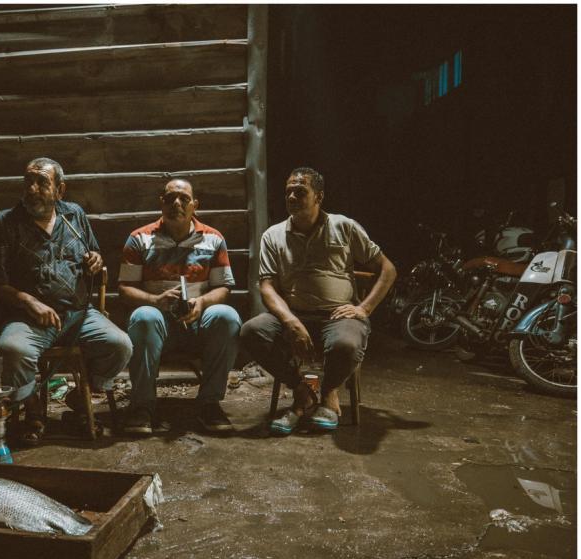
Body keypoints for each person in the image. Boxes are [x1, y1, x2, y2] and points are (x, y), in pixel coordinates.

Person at [0, 157, 133, 444]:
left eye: (42, 183)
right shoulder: (4, 223)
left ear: (60, 190)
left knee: (120, 345)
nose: (33, 188)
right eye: (29, 182)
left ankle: (79, 397)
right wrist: (28, 301)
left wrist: (95, 260)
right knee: (12, 350)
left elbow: (94, 254)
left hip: (78, 314)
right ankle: (32, 407)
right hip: (28, 318)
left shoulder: (73, 215)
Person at [240, 167, 396, 433]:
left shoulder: (343, 227)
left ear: (319, 197)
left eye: (300, 192)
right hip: (295, 313)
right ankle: (302, 389)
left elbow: (387, 269)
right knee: (251, 331)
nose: (291, 197)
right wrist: (289, 320)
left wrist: (364, 308)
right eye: (288, 191)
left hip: (337, 315)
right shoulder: (273, 235)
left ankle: (327, 393)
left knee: (345, 344)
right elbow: (267, 287)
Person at [118, 178, 242, 434]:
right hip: (158, 326)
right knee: (144, 316)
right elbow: (124, 288)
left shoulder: (214, 239)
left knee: (227, 316)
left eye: (184, 198)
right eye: (170, 198)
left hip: (197, 324)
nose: (177, 203)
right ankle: (142, 406)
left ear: (195, 205)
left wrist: (203, 302)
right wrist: (155, 300)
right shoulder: (139, 239)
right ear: (160, 203)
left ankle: (209, 404)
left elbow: (223, 287)